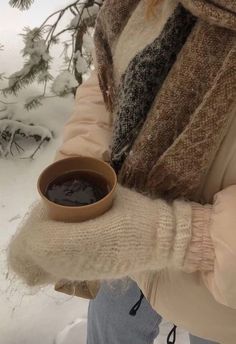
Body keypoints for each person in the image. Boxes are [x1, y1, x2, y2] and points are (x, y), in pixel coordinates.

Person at [8, 0, 236, 343]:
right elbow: (106, 84)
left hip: (216, 297)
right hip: (120, 245)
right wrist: (81, 170)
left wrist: (177, 236)